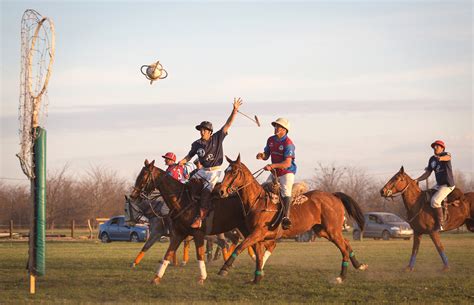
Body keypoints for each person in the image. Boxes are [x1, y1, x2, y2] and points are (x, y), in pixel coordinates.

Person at [178, 98, 243, 229]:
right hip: (202, 170)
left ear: (210, 132)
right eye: (201, 130)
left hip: (214, 171)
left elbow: (227, 125)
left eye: (204, 130)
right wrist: (181, 162)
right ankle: (187, 209)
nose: (202, 132)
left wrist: (234, 111)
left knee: (206, 192)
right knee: (187, 183)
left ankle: (201, 217)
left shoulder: (218, 137)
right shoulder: (197, 144)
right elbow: (189, 156)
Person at [256, 118, 297, 230]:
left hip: (286, 172)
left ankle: (286, 217)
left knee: (285, 191)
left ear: (284, 129)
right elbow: (266, 155)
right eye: (275, 126)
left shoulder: (288, 144)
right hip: (275, 172)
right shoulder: (271, 140)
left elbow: (287, 163)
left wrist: (272, 166)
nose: (276, 128)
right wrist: (262, 155)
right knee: (264, 188)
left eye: (278, 126)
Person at [415, 140, 455, 231]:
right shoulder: (432, 159)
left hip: (447, 185)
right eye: (434, 146)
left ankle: (440, 224)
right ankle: (430, 219)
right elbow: (427, 173)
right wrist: (417, 180)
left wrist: (439, 158)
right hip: (439, 185)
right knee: (425, 197)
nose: (435, 148)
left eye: (437, 146)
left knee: (435, 201)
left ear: (442, 148)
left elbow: (448, 157)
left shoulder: (445, 154)